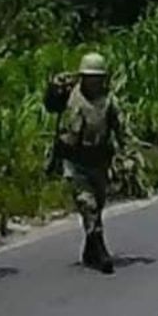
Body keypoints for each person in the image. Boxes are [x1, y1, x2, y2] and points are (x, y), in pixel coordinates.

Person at [48, 53, 125, 274]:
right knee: (87, 204)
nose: (95, 82)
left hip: (99, 159)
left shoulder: (108, 101)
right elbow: (50, 104)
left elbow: (120, 129)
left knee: (98, 205)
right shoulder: (69, 96)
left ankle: (90, 250)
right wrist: (53, 88)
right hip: (75, 160)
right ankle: (101, 252)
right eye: (91, 78)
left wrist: (127, 154)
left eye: (98, 78)